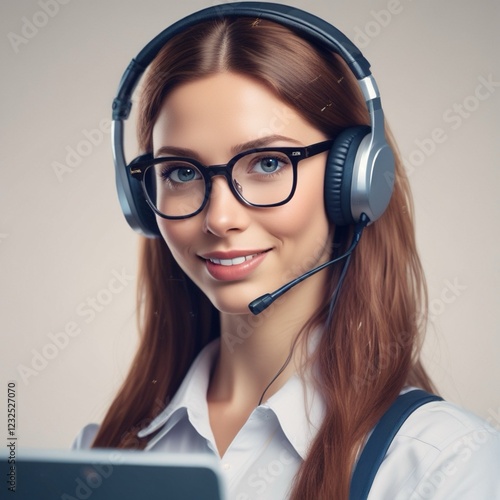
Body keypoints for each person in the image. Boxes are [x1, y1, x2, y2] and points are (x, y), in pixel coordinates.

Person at [73, 5, 500, 499]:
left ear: (355, 181)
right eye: (182, 173)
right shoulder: (99, 457)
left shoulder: (441, 464)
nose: (219, 218)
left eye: (269, 162)